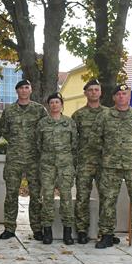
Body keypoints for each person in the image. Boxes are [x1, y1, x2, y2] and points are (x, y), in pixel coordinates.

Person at [94, 84, 132, 251]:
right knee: (108, 200)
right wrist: (108, 152)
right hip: (110, 166)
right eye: (118, 94)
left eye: (124, 93)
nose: (121, 97)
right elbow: (95, 138)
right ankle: (107, 235)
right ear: (114, 98)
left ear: (129, 97)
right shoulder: (105, 115)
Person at [0, 79, 47, 240]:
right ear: (17, 91)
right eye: (21, 88)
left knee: (35, 195)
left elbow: (45, 130)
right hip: (14, 158)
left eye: (27, 87)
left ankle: (37, 228)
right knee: (11, 194)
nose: (24, 90)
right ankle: (9, 228)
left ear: (31, 90)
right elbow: (4, 130)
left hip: (34, 159)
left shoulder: (39, 110)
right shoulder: (9, 111)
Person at [37, 93, 78, 245]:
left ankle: (67, 231)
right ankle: (47, 231)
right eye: (52, 102)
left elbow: (75, 144)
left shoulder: (69, 123)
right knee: (47, 197)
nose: (54, 105)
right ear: (48, 105)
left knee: (66, 198)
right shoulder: (42, 123)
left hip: (65, 165)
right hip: (47, 165)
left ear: (61, 104)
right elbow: (38, 144)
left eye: (57, 102)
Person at [72, 79, 107, 244]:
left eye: (96, 90)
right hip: (85, 162)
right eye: (90, 90)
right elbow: (72, 140)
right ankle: (81, 230)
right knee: (82, 197)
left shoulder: (109, 114)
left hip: (105, 163)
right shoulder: (78, 115)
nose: (94, 92)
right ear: (85, 93)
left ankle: (106, 231)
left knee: (107, 197)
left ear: (100, 92)